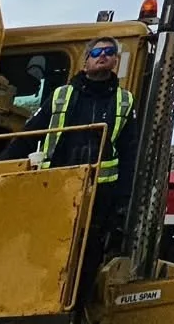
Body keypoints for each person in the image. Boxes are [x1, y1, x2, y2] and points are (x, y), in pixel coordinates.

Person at [8, 34, 138, 301]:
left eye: (109, 52)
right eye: (96, 52)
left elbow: (129, 154)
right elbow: (27, 137)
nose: (103, 56)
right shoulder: (61, 96)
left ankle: (75, 308)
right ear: (85, 61)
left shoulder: (125, 102)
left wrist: (122, 202)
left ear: (115, 61)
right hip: (55, 188)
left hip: (99, 196)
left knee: (87, 258)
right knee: (44, 250)